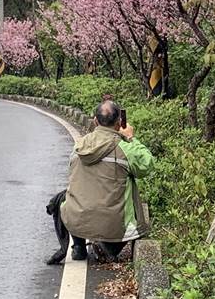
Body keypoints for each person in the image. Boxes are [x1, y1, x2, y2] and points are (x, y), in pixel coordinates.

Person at [48, 100, 154, 263]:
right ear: (120, 122)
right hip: (113, 223)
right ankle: (108, 247)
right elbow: (147, 165)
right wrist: (131, 138)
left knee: (63, 198)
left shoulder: (79, 145)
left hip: (77, 218)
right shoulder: (125, 149)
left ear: (95, 121)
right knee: (126, 204)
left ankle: (78, 246)